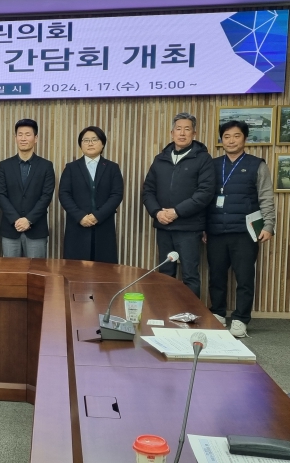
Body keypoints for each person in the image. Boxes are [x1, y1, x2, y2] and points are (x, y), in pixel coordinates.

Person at [205, 120, 276, 337]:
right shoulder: (212, 165)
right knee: (216, 276)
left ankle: (240, 319)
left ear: (245, 138)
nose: (231, 141)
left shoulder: (257, 165)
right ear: (221, 140)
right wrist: (203, 227)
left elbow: (266, 197)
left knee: (245, 278)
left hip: (246, 232)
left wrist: (269, 225)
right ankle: (217, 314)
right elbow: (204, 198)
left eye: (236, 136)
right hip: (216, 230)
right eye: (226, 137)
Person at [142, 112, 215, 297]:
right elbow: (148, 190)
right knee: (165, 274)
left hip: (189, 228)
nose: (182, 133)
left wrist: (177, 212)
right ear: (172, 132)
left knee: (190, 275)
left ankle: (190, 313)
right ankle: (166, 311)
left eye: (187, 129)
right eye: (178, 129)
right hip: (164, 226)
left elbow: (205, 193)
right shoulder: (160, 159)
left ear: (194, 133)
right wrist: (157, 212)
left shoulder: (203, 158)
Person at [58, 126, 124, 263]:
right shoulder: (71, 168)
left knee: (104, 270)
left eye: (94, 139)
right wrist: (80, 216)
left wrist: (97, 216)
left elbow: (116, 194)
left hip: (104, 226)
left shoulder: (112, 168)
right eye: (86, 140)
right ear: (81, 144)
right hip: (77, 226)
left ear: (102, 143)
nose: (90, 143)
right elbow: (64, 194)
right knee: (75, 269)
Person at [0, 119, 55, 258]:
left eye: (28, 134)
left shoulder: (46, 166)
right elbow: (1, 194)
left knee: (36, 269)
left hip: (36, 229)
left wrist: (28, 220)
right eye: (20, 134)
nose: (23, 138)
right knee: (11, 270)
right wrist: (16, 219)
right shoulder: (4, 165)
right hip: (11, 229)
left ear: (36, 138)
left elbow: (46, 196)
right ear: (15, 138)